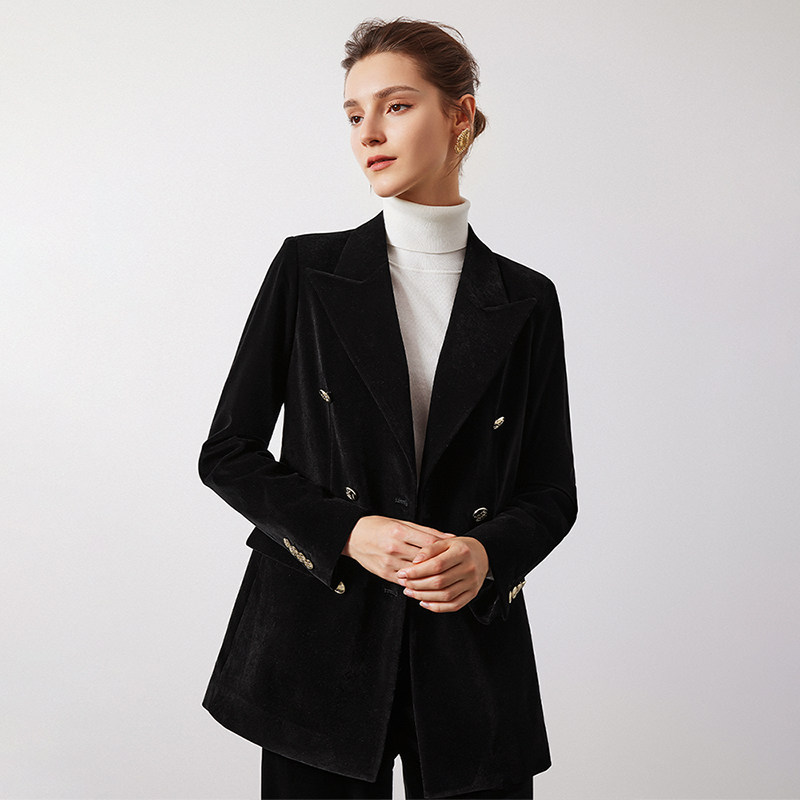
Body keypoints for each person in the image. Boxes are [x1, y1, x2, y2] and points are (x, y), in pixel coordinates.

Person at [198, 17, 577, 800]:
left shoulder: (526, 299)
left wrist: (486, 555)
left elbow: (550, 492)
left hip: (469, 654)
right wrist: (347, 531)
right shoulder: (308, 271)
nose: (367, 133)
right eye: (353, 114)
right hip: (319, 647)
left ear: (460, 116)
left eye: (396, 106)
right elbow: (228, 453)